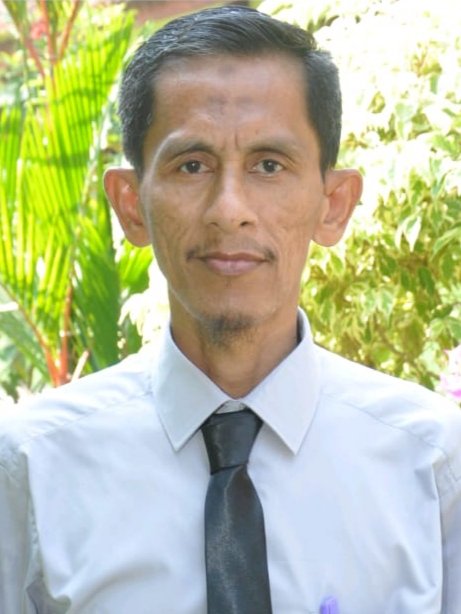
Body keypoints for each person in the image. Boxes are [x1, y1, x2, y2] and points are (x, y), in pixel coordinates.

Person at [0, 5, 460, 614]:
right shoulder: (32, 467)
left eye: (269, 165)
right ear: (131, 205)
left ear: (333, 203)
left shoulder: (432, 463)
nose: (229, 209)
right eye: (192, 165)